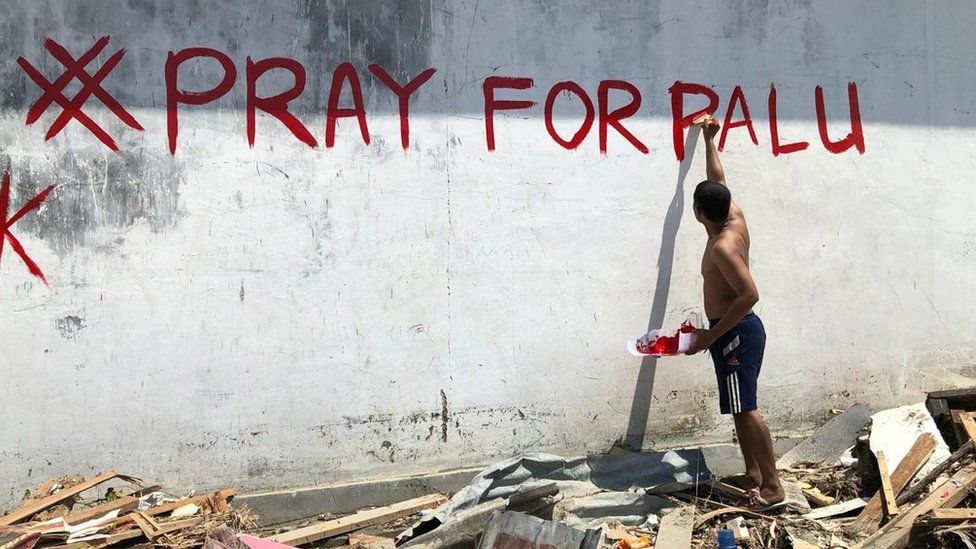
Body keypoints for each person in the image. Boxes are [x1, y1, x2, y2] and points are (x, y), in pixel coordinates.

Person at [684, 119, 785, 509]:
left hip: (736, 331)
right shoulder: (731, 212)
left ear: (698, 213)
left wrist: (710, 337)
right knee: (738, 406)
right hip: (730, 331)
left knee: (745, 409)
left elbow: (749, 295)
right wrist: (710, 140)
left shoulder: (722, 246)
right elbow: (717, 177)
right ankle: (753, 474)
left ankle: (773, 487)